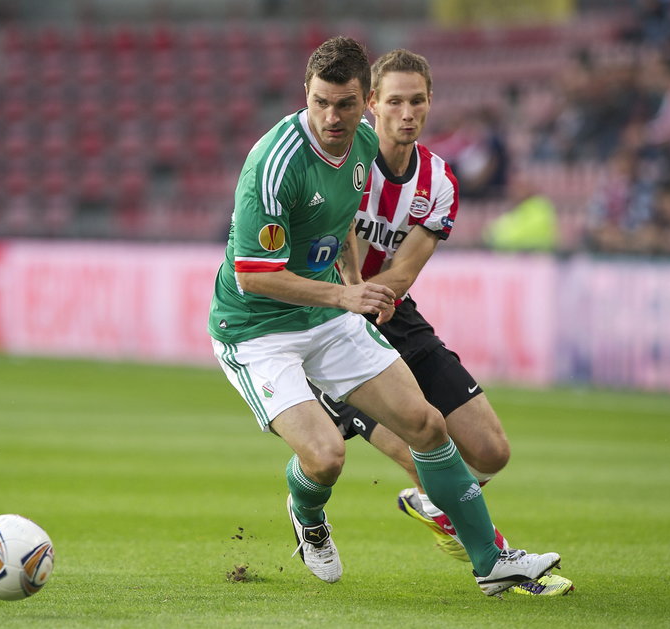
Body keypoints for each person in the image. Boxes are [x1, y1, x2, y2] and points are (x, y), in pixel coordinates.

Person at [208, 36, 563, 596]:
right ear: (307, 94)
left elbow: (343, 219)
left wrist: (351, 279)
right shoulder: (274, 164)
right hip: (257, 330)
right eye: (321, 102)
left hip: (328, 315)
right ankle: (308, 511)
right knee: (326, 458)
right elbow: (255, 275)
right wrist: (348, 294)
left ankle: (491, 562)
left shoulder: (366, 145)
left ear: (362, 102)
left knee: (427, 425)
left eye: (345, 105)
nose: (332, 117)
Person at [308, 48, 574, 597]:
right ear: (372, 105)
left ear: (430, 104)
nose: (407, 112)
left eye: (417, 101)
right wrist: (348, 297)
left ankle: (439, 503)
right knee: (421, 447)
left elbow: (406, 268)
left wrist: (377, 298)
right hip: (329, 320)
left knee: (492, 450)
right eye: (395, 101)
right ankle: (494, 556)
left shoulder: (438, 179)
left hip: (391, 311)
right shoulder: (340, 159)